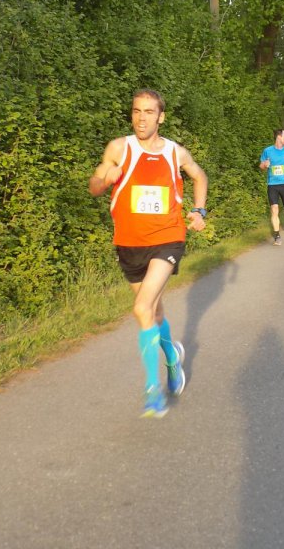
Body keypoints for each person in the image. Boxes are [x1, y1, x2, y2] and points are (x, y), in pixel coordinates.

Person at [89, 89, 208, 418]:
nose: (141, 118)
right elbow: (94, 186)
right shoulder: (118, 148)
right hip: (129, 243)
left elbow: (199, 176)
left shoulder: (174, 152)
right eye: (136, 111)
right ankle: (172, 358)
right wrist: (105, 180)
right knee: (153, 313)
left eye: (149, 112)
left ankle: (152, 390)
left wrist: (199, 210)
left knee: (141, 307)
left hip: (167, 238)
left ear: (161, 117)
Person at [260, 129, 284, 246]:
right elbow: (261, 166)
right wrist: (264, 165)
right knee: (274, 209)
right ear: (279, 137)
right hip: (272, 185)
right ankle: (277, 236)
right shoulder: (267, 151)